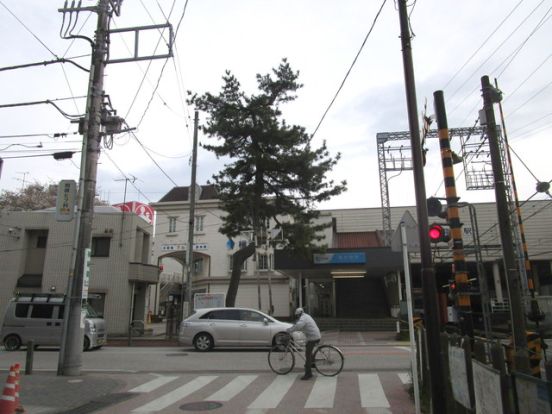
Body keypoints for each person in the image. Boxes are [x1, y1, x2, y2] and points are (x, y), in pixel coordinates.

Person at [287, 307, 321, 380]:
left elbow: (298, 326)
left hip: (313, 337)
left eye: (297, 315)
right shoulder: (306, 316)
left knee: (307, 354)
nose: (297, 316)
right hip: (314, 336)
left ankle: (308, 374)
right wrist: (294, 326)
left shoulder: (303, 319)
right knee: (308, 349)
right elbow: (298, 324)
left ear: (299, 314)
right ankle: (312, 364)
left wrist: (290, 330)